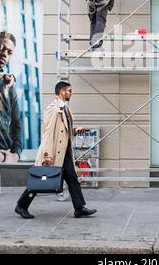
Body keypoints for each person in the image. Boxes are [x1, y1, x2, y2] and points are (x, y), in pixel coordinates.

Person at [15, 81, 97, 219]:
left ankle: (79, 208)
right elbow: (47, 133)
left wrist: (75, 130)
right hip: (53, 152)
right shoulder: (53, 109)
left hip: (64, 152)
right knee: (40, 179)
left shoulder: (65, 108)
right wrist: (47, 154)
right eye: (69, 90)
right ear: (62, 91)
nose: (71, 93)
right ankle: (21, 206)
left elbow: (62, 131)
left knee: (72, 179)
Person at [0, 32, 22, 164]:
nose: (5, 54)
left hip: (6, 159)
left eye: (9, 52)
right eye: (0, 48)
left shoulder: (8, 83)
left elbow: (17, 124)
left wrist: (15, 154)